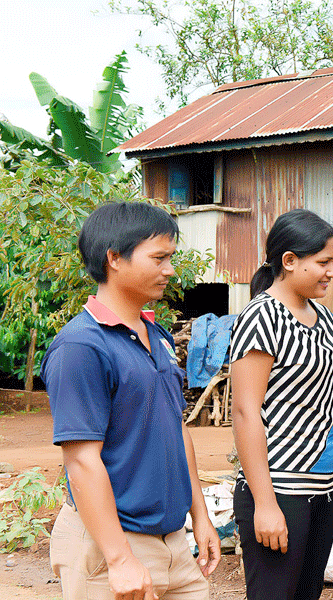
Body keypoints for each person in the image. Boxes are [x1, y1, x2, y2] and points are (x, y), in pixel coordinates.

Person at [44, 201, 220, 600]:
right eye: (159, 257)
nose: (170, 269)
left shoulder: (155, 335)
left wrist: (200, 516)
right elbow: (82, 460)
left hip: (172, 541)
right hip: (112, 544)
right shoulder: (81, 346)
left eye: (170, 257)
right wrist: (119, 559)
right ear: (113, 259)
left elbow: (176, 430)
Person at [229, 209, 333, 600]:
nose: (331, 271)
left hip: (322, 488)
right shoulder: (261, 316)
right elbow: (246, 412)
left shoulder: (325, 317)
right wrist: (264, 504)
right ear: (290, 261)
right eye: (323, 262)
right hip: (278, 489)